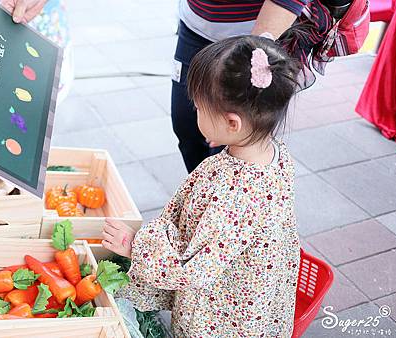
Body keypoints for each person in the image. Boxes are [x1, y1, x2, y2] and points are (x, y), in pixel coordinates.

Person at [102, 33, 302, 337]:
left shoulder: (236, 195)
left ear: (232, 123)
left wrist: (136, 247)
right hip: (257, 297)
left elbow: (196, 269)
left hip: (224, 315)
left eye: (198, 108)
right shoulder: (273, 153)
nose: (195, 112)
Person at [172, 0, 329, 172]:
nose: (196, 107)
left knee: (224, 147)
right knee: (186, 125)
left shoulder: (219, 191)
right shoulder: (281, 162)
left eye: (198, 107)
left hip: (254, 33)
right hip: (197, 25)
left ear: (232, 124)